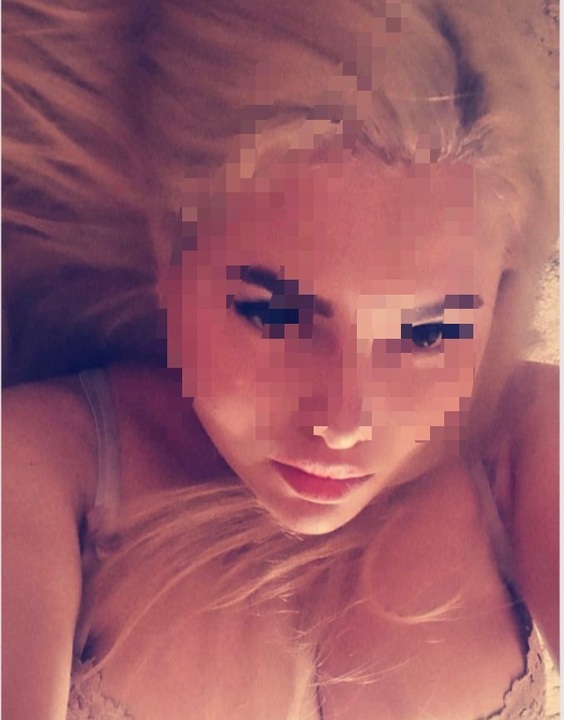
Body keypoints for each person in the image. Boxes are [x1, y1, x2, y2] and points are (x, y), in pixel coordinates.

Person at [2, 1, 559, 719]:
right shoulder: (43, 463)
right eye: (275, 316)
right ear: (167, 250)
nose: (343, 422)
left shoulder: (527, 434)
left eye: (428, 333)